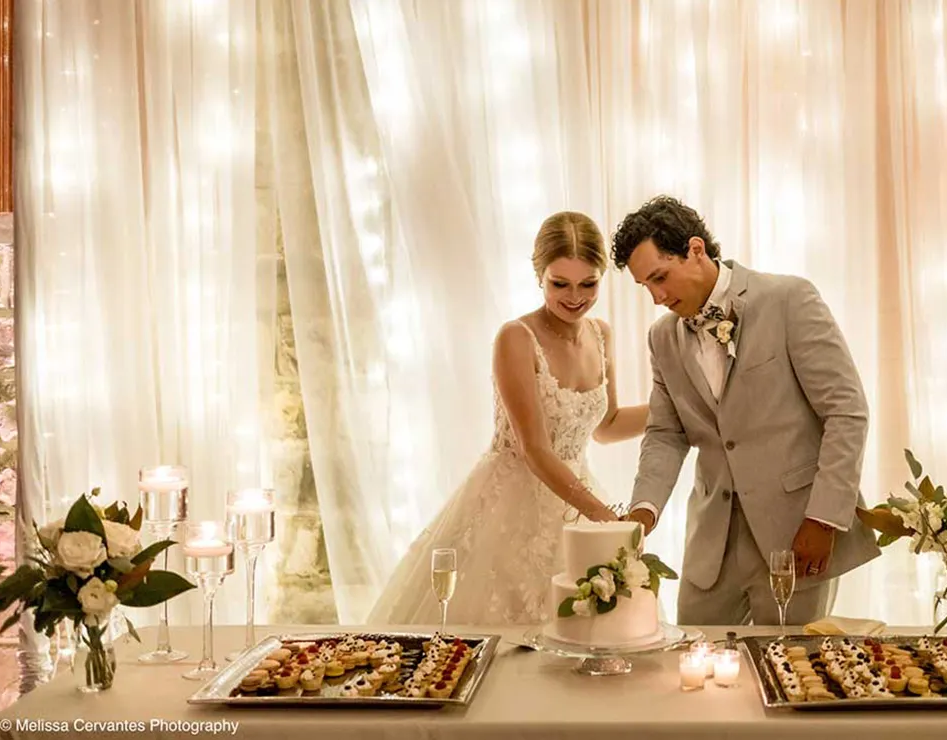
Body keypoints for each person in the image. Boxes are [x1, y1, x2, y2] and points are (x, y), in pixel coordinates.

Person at [368, 211, 648, 626]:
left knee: (582, 630)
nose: (575, 297)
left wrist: (676, 407)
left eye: (588, 284)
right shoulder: (516, 338)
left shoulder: (600, 333)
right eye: (560, 284)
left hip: (576, 492)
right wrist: (604, 516)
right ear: (540, 276)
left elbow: (605, 427)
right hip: (511, 504)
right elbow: (533, 449)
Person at [614, 195, 880, 626]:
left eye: (660, 277)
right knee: (694, 668)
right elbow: (665, 432)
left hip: (796, 535)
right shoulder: (662, 337)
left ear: (696, 249)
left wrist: (824, 519)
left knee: (792, 670)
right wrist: (644, 510)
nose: (658, 297)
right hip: (711, 544)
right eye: (646, 286)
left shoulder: (789, 299)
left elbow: (846, 411)